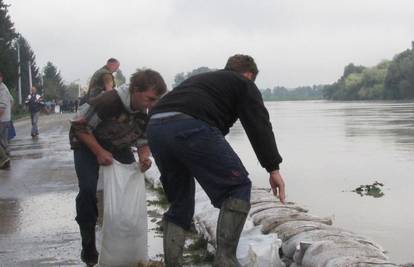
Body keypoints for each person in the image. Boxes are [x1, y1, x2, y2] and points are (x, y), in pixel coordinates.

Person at [147, 54, 286, 267]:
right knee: (237, 187)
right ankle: (225, 260)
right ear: (249, 74)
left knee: (180, 203)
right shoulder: (243, 83)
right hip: (190, 126)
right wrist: (273, 168)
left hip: (156, 128)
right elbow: (258, 124)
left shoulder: (203, 81)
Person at [69, 69, 167, 266]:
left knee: (129, 185)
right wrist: (98, 152)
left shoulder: (145, 109)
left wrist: (144, 157)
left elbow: (142, 138)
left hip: (116, 143)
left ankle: (124, 244)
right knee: (88, 190)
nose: (152, 104)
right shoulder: (108, 102)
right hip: (86, 143)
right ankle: (88, 245)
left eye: (156, 100)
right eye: (150, 98)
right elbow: (79, 127)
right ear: (135, 90)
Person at [0, 71, 14, 169]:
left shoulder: (2, 89)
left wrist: (5, 113)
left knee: (3, 140)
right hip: (6, 119)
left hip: (2, 119)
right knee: (3, 140)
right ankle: (6, 157)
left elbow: (2, 107)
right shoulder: (4, 87)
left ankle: (4, 159)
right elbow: (12, 100)